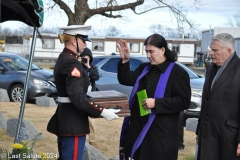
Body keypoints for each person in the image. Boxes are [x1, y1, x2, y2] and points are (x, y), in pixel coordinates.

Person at [47, 25, 120, 160]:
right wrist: (102, 111)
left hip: (66, 118)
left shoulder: (64, 58)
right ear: (74, 40)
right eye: (83, 40)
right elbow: (77, 96)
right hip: (73, 122)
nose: (86, 44)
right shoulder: (72, 63)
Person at [117, 33, 191, 160]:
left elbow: (183, 101)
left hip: (161, 136)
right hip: (138, 130)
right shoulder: (144, 68)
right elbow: (126, 80)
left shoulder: (178, 73)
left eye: (151, 51)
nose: (148, 56)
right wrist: (125, 61)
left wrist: (157, 103)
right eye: (146, 51)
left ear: (163, 50)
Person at [196, 33, 240, 160]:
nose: (211, 53)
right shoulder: (211, 69)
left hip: (228, 138)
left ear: (229, 51)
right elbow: (206, 101)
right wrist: (199, 130)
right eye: (211, 49)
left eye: (215, 50)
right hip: (207, 134)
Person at [78, 47, 99, 145]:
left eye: (87, 57)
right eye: (83, 57)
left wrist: (88, 66)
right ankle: (83, 140)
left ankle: (92, 141)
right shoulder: (78, 67)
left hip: (91, 97)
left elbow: (96, 77)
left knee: (91, 121)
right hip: (82, 96)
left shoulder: (93, 68)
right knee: (81, 119)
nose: (85, 59)